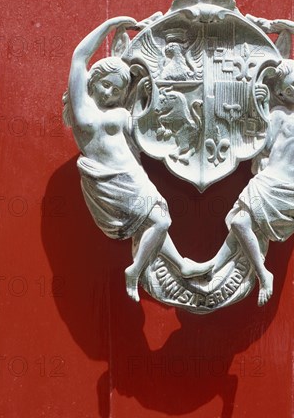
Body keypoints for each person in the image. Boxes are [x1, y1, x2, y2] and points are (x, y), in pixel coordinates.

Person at [63, 17, 207, 302]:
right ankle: (136, 270)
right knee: (160, 221)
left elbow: (141, 126)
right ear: (93, 81)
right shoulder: (84, 112)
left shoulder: (118, 110)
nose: (110, 93)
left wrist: (141, 94)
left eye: (117, 90)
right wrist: (110, 24)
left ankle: (180, 264)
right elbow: (79, 57)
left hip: (134, 174)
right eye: (105, 85)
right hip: (111, 179)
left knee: (153, 221)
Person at [206, 18, 294, 307]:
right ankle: (259, 273)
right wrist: (263, 107)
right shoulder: (278, 116)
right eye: (287, 91)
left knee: (244, 222)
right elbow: (260, 147)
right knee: (239, 221)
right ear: (281, 94)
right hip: (270, 181)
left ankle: (216, 266)